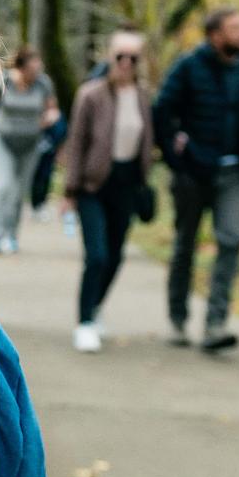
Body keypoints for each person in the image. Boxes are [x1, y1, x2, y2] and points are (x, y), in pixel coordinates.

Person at [154, 6, 239, 353]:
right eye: (236, 28)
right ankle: (178, 319)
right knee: (185, 246)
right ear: (216, 35)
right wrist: (176, 158)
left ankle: (215, 324)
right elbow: (162, 111)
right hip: (193, 174)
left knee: (232, 239)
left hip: (236, 173)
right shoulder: (189, 66)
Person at [59, 29, 151, 353]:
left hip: (126, 184)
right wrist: (69, 191)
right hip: (91, 185)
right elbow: (76, 142)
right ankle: (84, 322)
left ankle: (95, 307)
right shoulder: (91, 95)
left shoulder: (142, 96)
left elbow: (146, 140)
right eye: (120, 56)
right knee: (96, 256)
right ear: (110, 57)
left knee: (115, 256)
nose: (126, 63)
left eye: (133, 58)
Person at [0, 46, 58, 256]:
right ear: (22, 67)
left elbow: (52, 108)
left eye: (39, 68)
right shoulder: (5, 81)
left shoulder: (43, 83)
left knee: (19, 192)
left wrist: (51, 117)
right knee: (4, 186)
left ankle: (11, 236)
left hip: (30, 144)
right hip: (3, 141)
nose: (36, 72)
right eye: (33, 68)